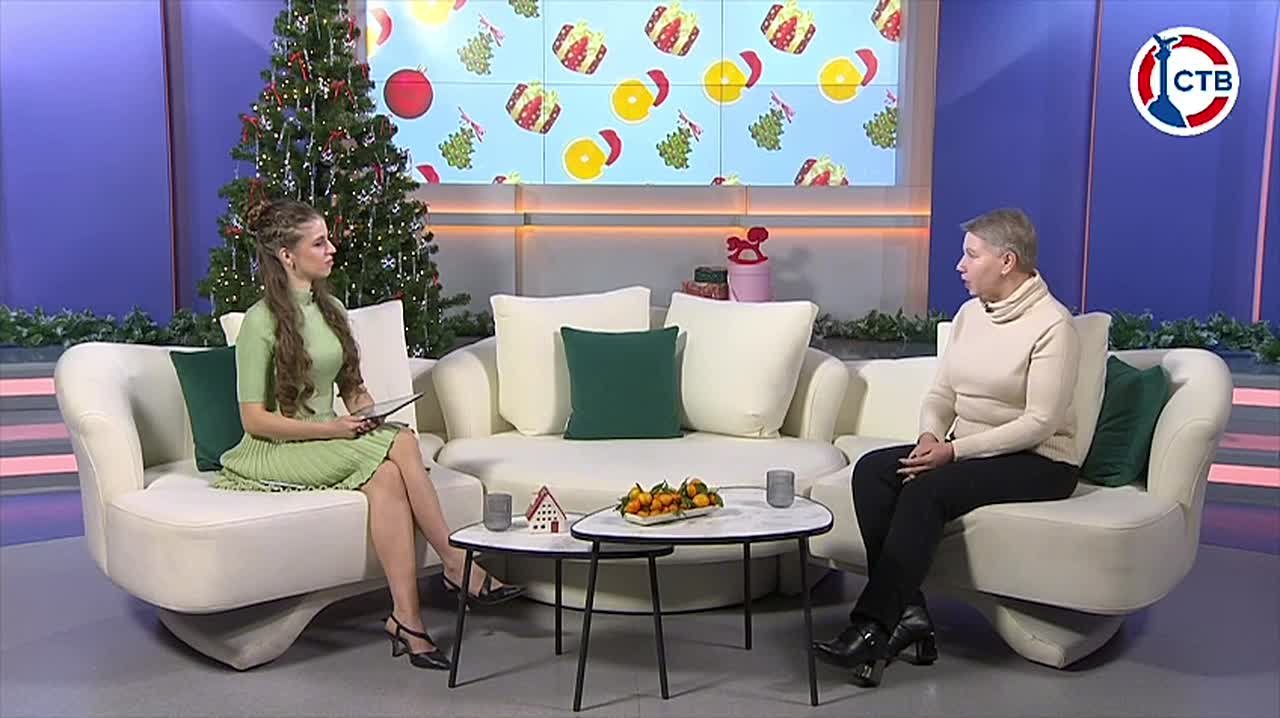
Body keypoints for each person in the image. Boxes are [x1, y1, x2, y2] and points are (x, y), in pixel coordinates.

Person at [214, 198, 524, 671]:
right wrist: (334, 429)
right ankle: (457, 562)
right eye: (319, 243)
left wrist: (371, 415)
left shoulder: (332, 309)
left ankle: (408, 621)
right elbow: (253, 419)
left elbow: (353, 389)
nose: (332, 249)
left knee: (388, 476)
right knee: (403, 443)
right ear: (287, 256)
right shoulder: (261, 321)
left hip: (327, 435)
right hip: (276, 447)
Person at [813, 208, 1082, 686]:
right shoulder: (969, 314)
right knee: (875, 471)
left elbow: (1040, 423)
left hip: (1039, 460)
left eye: (971, 255)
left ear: (1007, 261)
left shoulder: (1053, 325)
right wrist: (930, 437)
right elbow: (941, 394)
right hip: (968, 449)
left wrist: (954, 453)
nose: (960, 265)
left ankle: (872, 627)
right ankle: (909, 615)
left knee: (927, 488)